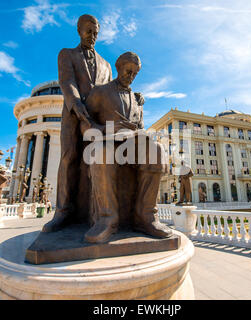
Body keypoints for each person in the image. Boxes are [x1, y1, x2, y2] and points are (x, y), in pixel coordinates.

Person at [83, 52, 172, 243]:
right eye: (128, 71)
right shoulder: (100, 92)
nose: (131, 76)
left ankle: (145, 216)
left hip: (132, 143)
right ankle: (107, 219)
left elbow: (139, 126)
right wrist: (107, 129)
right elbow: (84, 124)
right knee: (102, 153)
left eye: (135, 73)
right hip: (107, 141)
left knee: (156, 150)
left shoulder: (136, 99)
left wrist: (140, 132)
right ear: (118, 67)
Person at [42, 14, 113, 233]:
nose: (93, 36)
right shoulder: (67, 54)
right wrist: (75, 103)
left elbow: (109, 92)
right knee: (70, 158)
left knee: (100, 161)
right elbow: (67, 81)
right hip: (74, 115)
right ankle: (63, 212)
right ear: (79, 31)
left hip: (98, 120)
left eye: (96, 32)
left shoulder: (106, 64)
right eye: (89, 31)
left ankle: (98, 212)